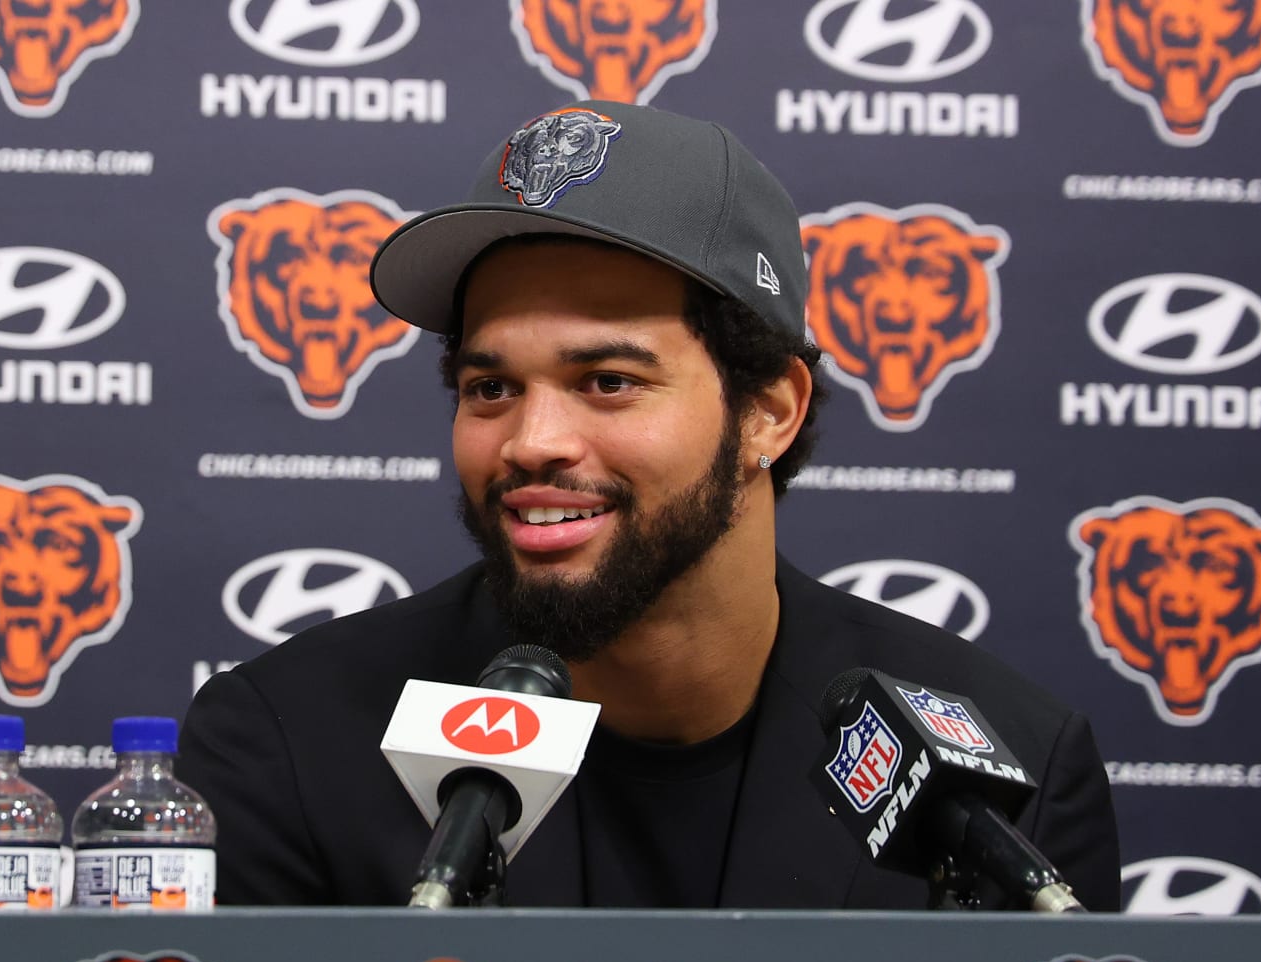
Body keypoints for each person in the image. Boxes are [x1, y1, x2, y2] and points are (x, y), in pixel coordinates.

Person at [178, 100, 1120, 910]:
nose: (530, 441)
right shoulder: (293, 744)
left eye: (609, 380)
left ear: (769, 411)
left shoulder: (1009, 773)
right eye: (490, 388)